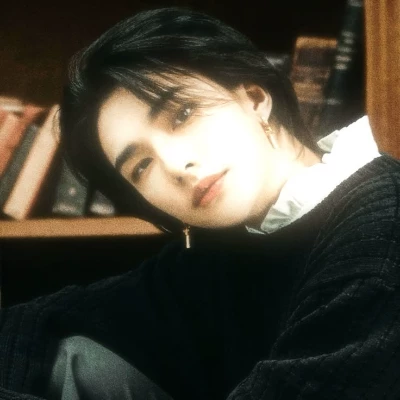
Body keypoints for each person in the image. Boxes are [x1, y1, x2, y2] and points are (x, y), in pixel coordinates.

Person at [2, 6, 400, 400]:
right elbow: (49, 318)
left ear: (254, 97)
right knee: (72, 354)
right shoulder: (230, 247)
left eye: (183, 114)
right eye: (141, 165)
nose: (176, 165)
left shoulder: (381, 235)